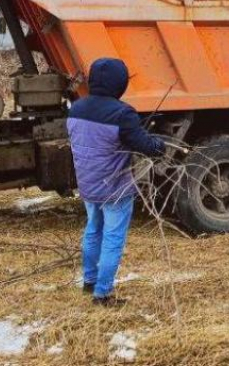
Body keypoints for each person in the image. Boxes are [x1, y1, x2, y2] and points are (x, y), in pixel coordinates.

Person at [66, 58, 165, 307]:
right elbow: (145, 145)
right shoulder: (122, 113)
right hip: (114, 188)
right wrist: (158, 146)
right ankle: (103, 294)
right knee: (112, 238)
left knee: (93, 230)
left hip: (88, 184)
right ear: (119, 83)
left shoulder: (76, 109)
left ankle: (89, 281)